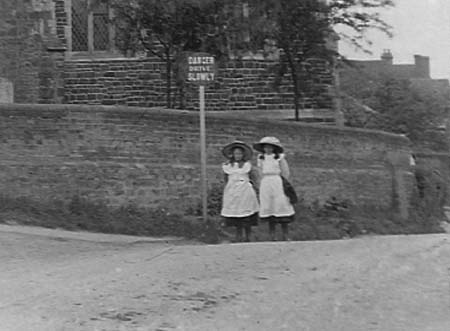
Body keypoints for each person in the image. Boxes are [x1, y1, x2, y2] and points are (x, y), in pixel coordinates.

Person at [253, 136, 295, 241]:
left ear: (274, 148)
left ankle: (285, 234)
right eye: (266, 147)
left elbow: (285, 172)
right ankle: (272, 234)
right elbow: (259, 171)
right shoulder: (261, 158)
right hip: (266, 182)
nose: (268, 149)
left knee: (281, 205)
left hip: (277, 182)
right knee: (269, 206)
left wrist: (283, 182)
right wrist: (260, 183)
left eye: (270, 147)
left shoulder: (279, 158)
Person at [221, 141, 259, 242]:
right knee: (235, 212)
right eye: (236, 153)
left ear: (243, 155)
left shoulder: (247, 165)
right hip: (232, 190)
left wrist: (255, 187)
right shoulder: (228, 166)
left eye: (240, 154)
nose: (238, 156)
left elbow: (253, 177)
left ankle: (248, 234)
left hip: (245, 190)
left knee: (246, 211)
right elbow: (225, 178)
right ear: (232, 154)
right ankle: (238, 234)